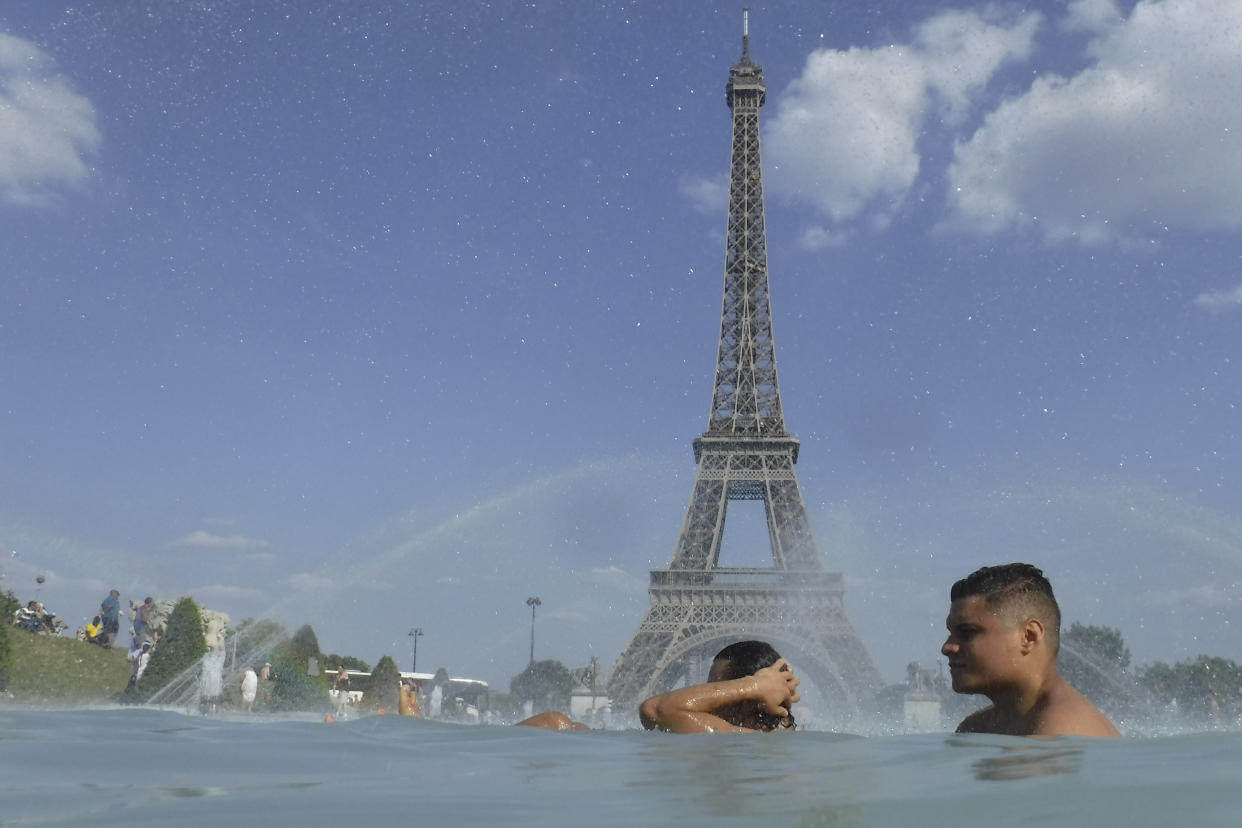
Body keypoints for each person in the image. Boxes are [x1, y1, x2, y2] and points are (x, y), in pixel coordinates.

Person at [941, 562, 1121, 738]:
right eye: (951, 633)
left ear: (1029, 636)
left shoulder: (1060, 733)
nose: (947, 647)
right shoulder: (978, 727)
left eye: (967, 632)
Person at [639, 640, 800, 733]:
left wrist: (753, 685)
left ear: (750, 698)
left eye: (718, 687)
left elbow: (654, 709)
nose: (711, 698)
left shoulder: (738, 736)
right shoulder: (782, 737)